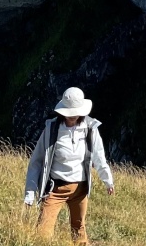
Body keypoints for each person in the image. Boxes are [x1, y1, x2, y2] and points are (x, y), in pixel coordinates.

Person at [24, 87, 114, 244]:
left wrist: (108, 181)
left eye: (75, 112)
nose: (72, 116)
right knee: (42, 233)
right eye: (69, 113)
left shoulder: (90, 129)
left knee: (79, 229)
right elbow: (36, 162)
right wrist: (30, 194)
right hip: (55, 189)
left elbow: (99, 158)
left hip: (80, 189)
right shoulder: (51, 129)